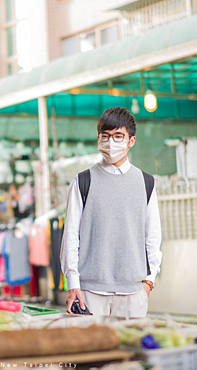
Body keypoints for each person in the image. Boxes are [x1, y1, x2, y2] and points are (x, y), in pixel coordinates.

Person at [60, 107, 162, 318]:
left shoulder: (146, 182)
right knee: (93, 351)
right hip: (89, 292)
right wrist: (73, 284)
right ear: (98, 140)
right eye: (105, 136)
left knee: (131, 349)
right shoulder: (82, 182)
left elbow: (152, 237)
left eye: (118, 136)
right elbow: (70, 236)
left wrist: (149, 282)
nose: (110, 142)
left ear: (131, 141)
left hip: (134, 292)